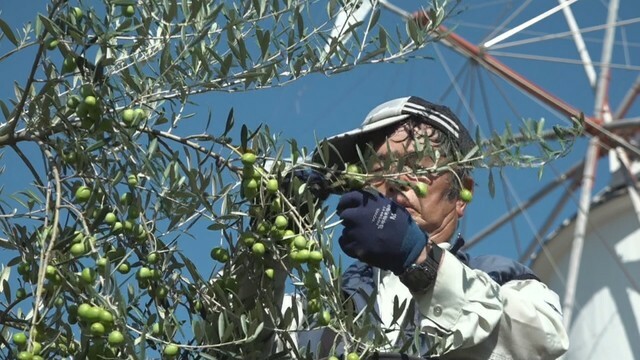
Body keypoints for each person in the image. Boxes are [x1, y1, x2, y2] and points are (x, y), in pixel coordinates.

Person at [284, 96, 569, 359]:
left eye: (416, 167)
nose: (396, 181)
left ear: (460, 194)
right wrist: (267, 244)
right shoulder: (329, 304)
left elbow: (545, 340)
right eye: (379, 170)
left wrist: (422, 262)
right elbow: (255, 338)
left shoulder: (501, 278)